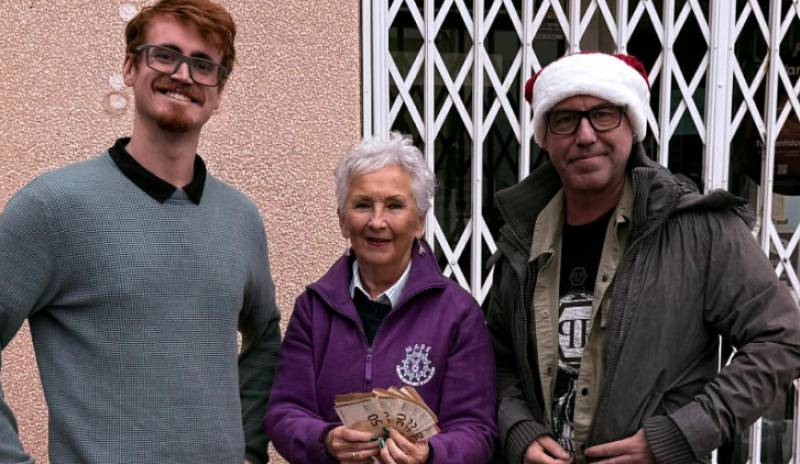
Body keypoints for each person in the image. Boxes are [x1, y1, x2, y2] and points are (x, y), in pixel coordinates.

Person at [0, 1, 281, 462]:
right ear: (130, 68)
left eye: (203, 65)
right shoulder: (52, 207)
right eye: (165, 55)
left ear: (218, 92)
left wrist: (250, 447)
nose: (183, 74)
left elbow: (265, 337)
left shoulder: (241, 218)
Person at [487, 51, 800, 464]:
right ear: (545, 137)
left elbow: (781, 337)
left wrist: (682, 432)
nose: (585, 135)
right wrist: (518, 430)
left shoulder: (698, 229)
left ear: (632, 125)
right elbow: (496, 361)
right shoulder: (522, 239)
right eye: (565, 119)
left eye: (603, 115)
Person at [265, 133, 496, 463]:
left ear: (419, 221)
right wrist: (325, 440)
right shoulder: (313, 309)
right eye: (362, 205)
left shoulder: (458, 314)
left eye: (394, 205)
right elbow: (284, 411)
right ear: (343, 221)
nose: (376, 222)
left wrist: (430, 454)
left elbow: (477, 430)